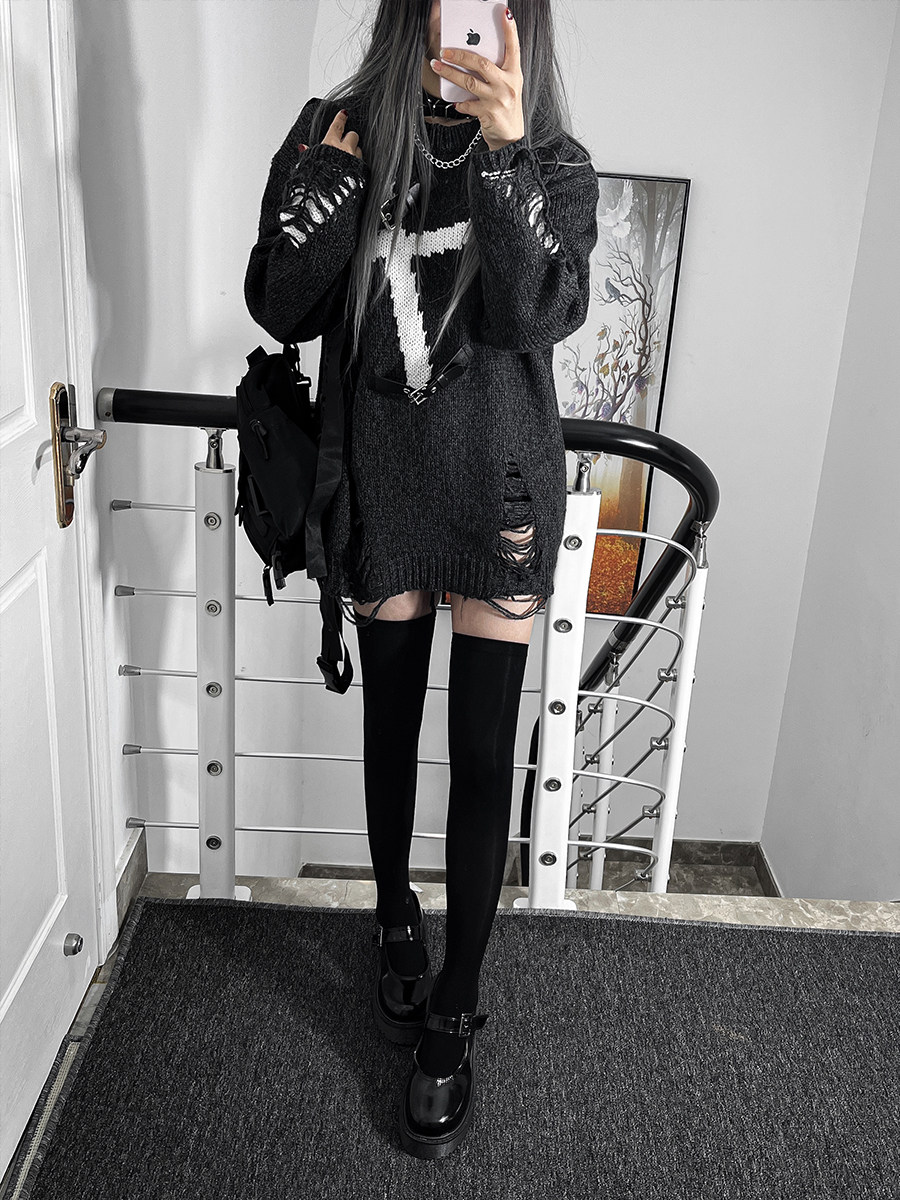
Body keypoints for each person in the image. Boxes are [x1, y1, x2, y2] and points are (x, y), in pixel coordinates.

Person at [244, 0, 599, 1159]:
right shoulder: (334, 130)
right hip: (381, 484)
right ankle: (394, 913)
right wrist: (338, 180)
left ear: (519, 22)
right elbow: (279, 302)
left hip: (501, 489)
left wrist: (502, 158)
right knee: (389, 728)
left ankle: (456, 1004)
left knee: (485, 756)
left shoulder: (553, 162)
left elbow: (538, 313)